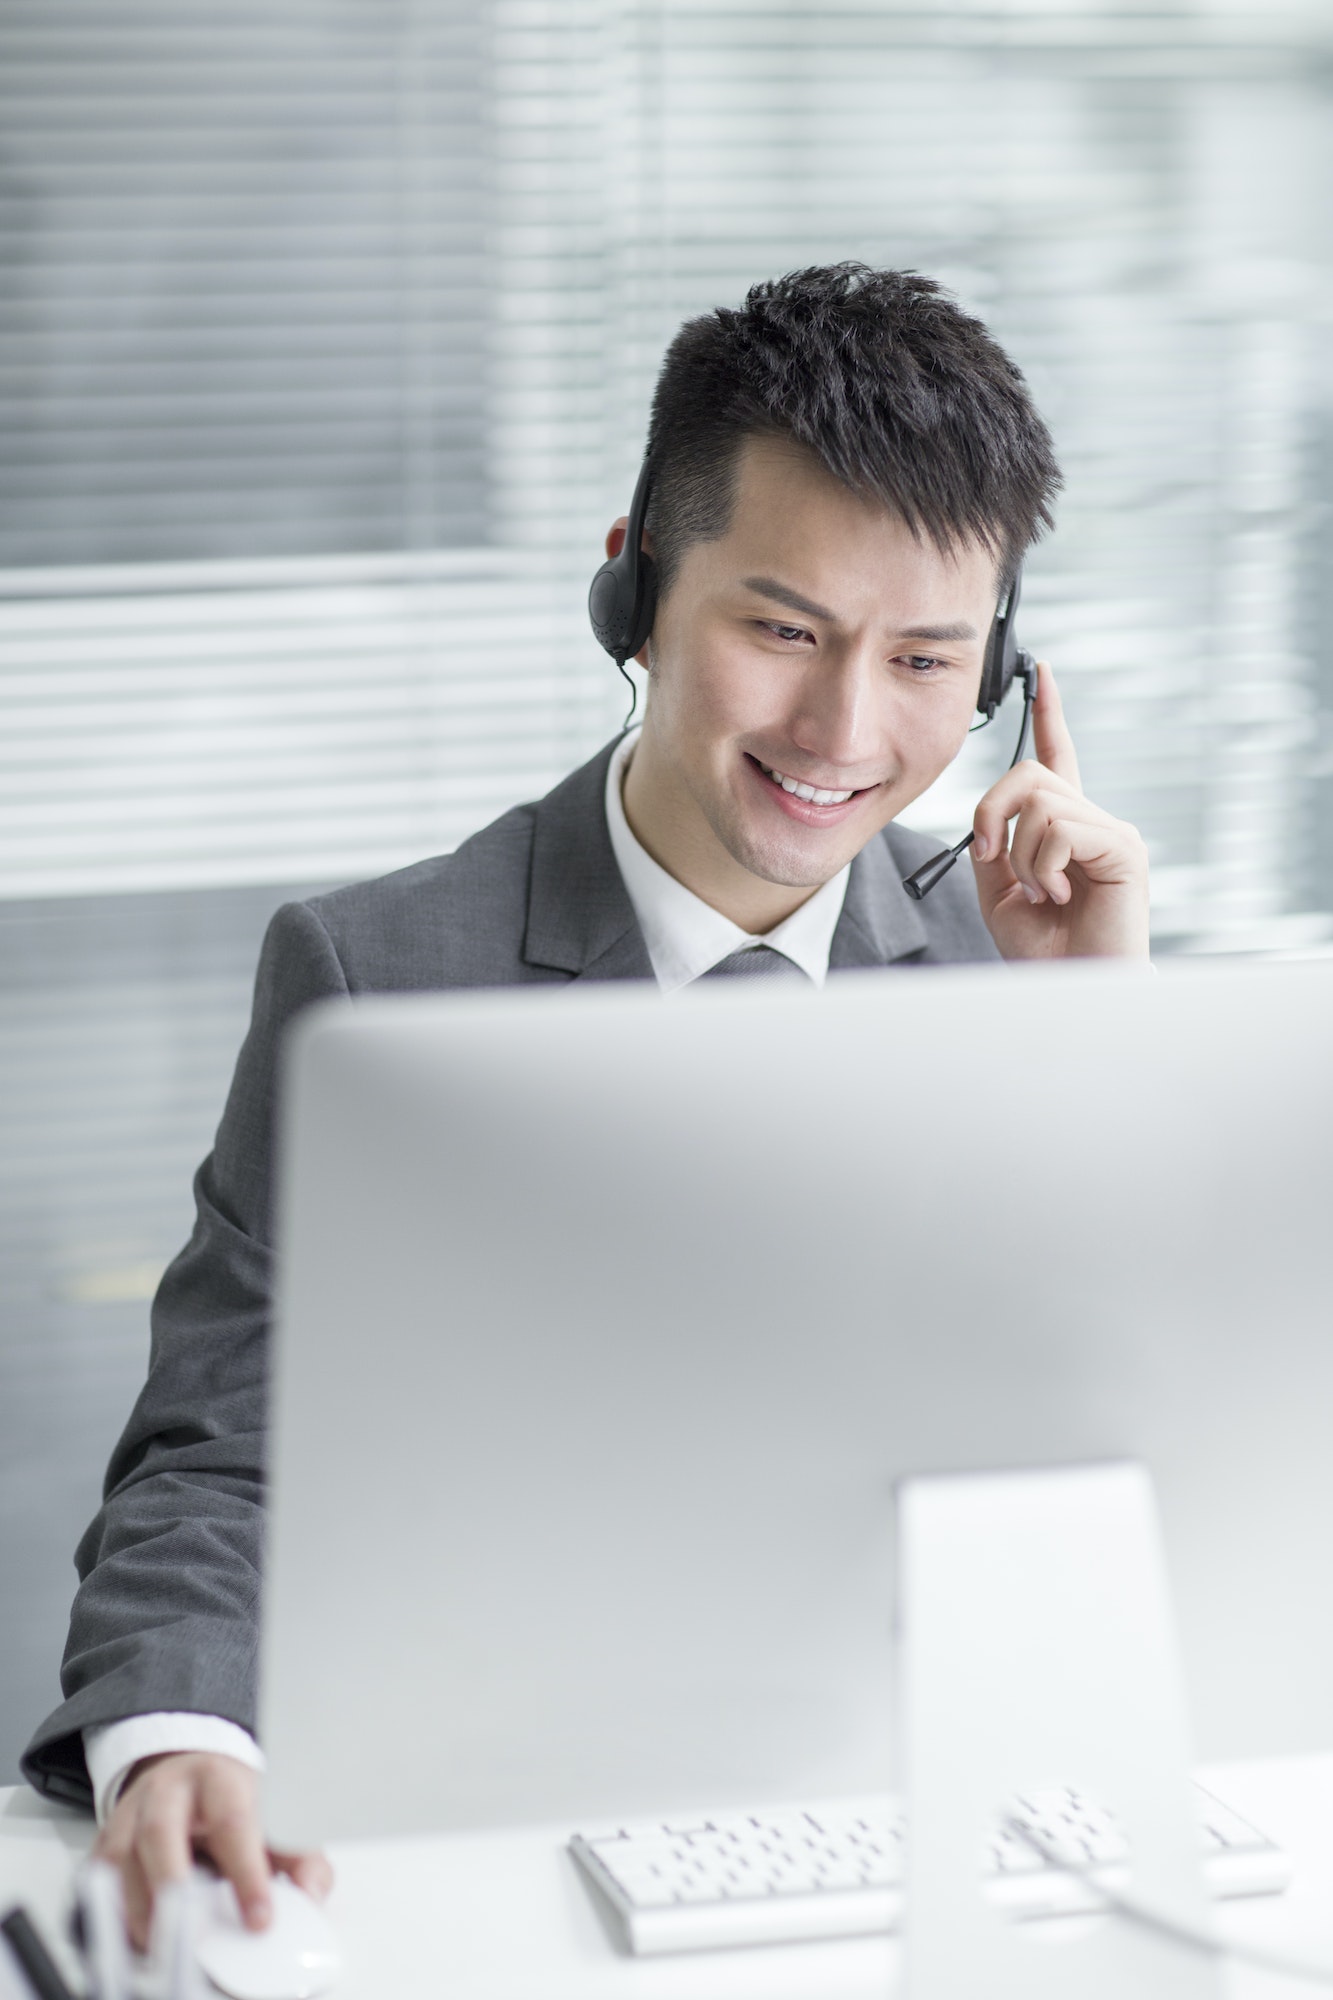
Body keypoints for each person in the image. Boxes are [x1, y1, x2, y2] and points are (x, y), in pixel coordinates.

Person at [20, 264, 1148, 1945]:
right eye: (780, 630)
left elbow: (1140, 1472)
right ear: (629, 598)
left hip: (925, 1831)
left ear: (999, 680)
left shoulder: (1038, 955)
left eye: (924, 658)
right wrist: (178, 1741)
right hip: (513, 1837)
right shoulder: (382, 972)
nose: (845, 728)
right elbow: (219, 1462)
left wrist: (1093, 1051)